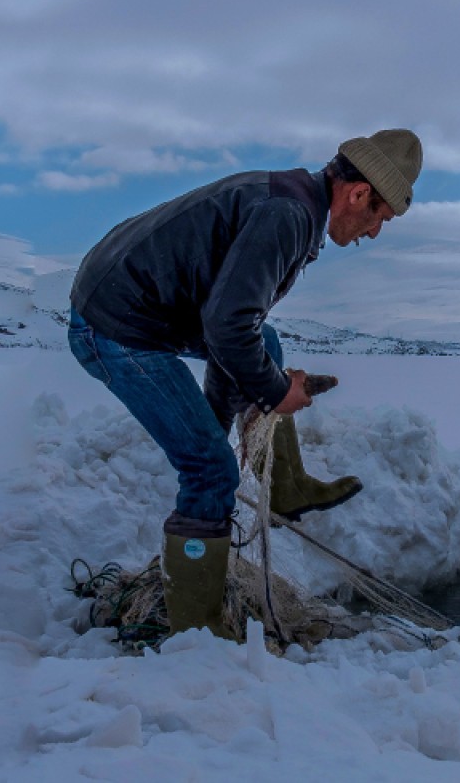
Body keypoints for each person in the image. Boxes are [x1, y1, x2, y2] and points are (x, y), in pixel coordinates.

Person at [67, 129, 423, 637]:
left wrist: (224, 410)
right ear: (359, 193)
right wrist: (277, 393)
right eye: (379, 218)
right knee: (211, 474)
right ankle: (195, 635)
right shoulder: (288, 215)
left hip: (147, 306)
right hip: (117, 325)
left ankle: (288, 490)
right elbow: (227, 328)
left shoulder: (295, 201)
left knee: (266, 347)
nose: (374, 232)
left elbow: (235, 324)